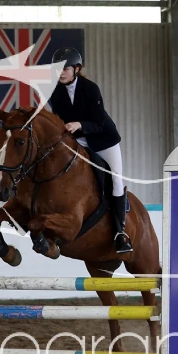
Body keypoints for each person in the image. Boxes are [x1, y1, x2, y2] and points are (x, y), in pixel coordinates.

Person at [47, 46, 133, 254]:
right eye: (58, 69)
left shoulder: (90, 89)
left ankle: (120, 233)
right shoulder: (55, 92)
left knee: (115, 180)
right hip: (78, 141)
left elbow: (99, 123)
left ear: (76, 69)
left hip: (103, 141)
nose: (61, 73)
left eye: (65, 69)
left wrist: (79, 125)